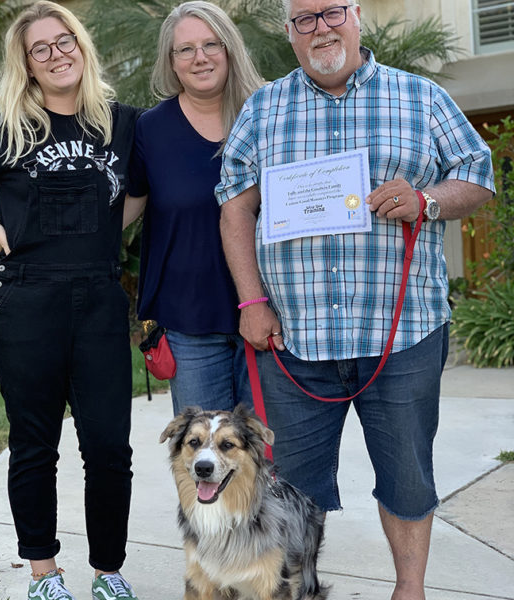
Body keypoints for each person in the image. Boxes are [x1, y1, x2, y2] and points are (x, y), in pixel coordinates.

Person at [215, 1, 495, 599]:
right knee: (287, 489)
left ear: (357, 15)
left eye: (331, 12)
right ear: (289, 32)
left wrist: (427, 201)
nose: (321, 28)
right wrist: (250, 302)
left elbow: (477, 174)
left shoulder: (419, 98)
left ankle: (409, 590)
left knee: (408, 479)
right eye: (304, 19)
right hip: (294, 336)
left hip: (402, 337)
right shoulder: (263, 110)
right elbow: (236, 206)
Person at [0, 2, 142, 599]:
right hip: (24, 299)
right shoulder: (7, 124)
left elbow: (138, 193)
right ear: (27, 65)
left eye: (65, 41)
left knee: (109, 447)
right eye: (41, 48)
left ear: (82, 47)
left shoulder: (120, 123)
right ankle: (44, 573)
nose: (57, 53)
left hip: (97, 297)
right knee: (35, 443)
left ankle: (108, 572)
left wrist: (103, 232)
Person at [124, 1, 263, 415]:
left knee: (270, 462)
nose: (199, 57)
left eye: (210, 44)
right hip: (188, 323)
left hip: (273, 316)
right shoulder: (151, 128)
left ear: (230, 48)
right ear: (171, 61)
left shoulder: (270, 113)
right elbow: (127, 208)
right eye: (185, 49)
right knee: (205, 464)